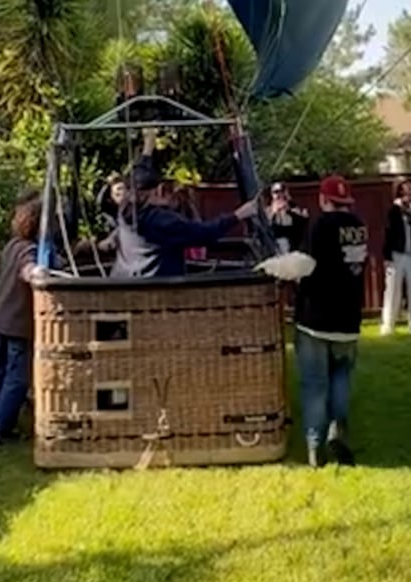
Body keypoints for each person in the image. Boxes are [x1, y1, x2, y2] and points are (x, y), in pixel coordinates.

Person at [255, 175, 366, 468]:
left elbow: (302, 264)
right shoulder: (358, 226)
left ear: (323, 199)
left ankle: (315, 447)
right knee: (341, 376)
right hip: (348, 319)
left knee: (315, 385)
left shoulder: (321, 225)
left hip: (316, 317)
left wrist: (269, 268)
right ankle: (337, 428)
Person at [110, 128, 261, 278]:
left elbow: (140, 173)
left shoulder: (125, 208)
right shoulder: (164, 222)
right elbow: (205, 233)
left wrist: (148, 145)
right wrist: (239, 214)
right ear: (160, 190)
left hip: (121, 284)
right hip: (156, 289)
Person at [0, 191, 45, 445]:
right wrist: (37, 273)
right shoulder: (29, 250)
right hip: (19, 325)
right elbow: (28, 268)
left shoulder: (12, 246)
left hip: (2, 321)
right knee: (17, 378)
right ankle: (2, 428)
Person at [381, 177, 411, 337]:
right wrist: (387, 256)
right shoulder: (393, 210)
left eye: (410, 188)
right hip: (397, 254)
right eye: (404, 188)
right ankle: (388, 325)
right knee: (392, 290)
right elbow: (388, 233)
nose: (408, 191)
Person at [267, 182, 309, 254]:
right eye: (276, 192)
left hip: (293, 248)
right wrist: (273, 213)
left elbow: (302, 224)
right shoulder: (268, 210)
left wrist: (288, 211)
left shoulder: (294, 208)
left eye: (282, 191)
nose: (279, 195)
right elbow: (265, 227)